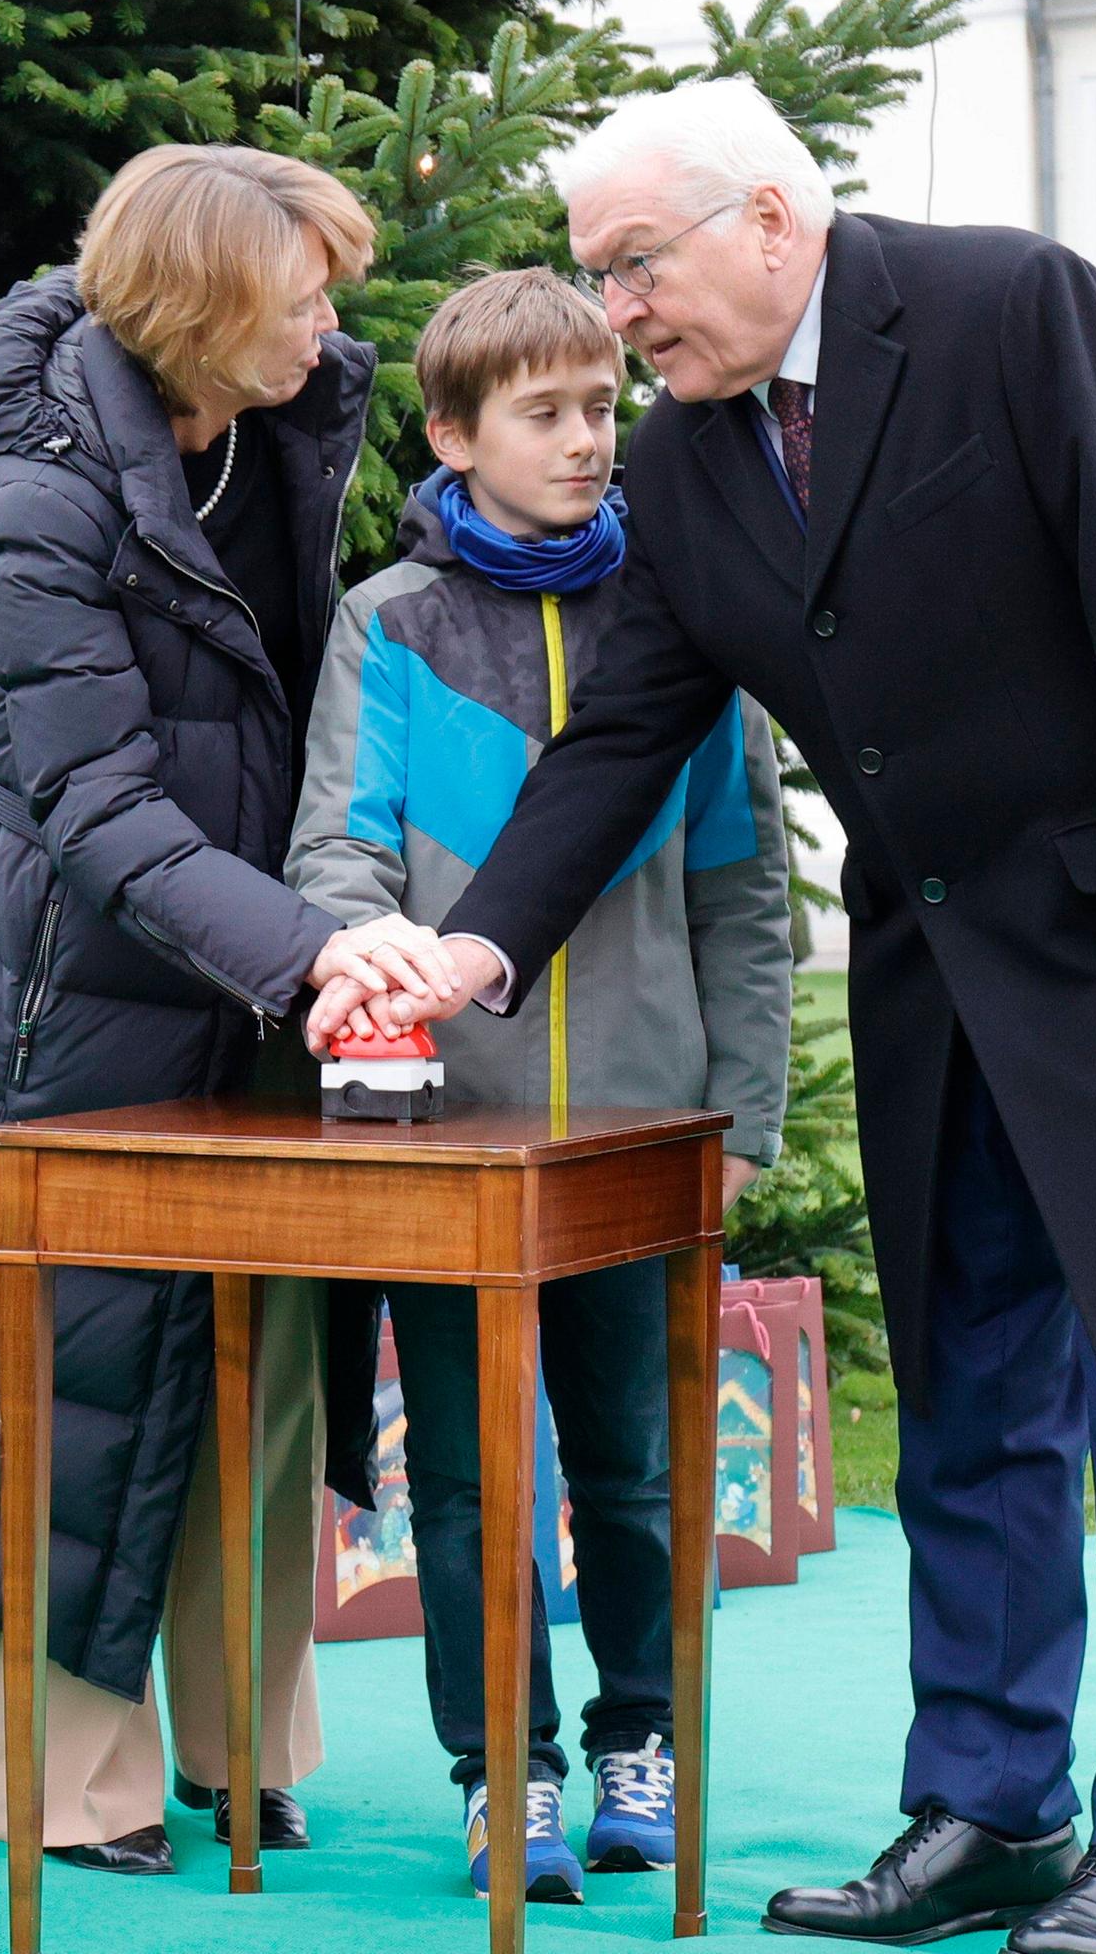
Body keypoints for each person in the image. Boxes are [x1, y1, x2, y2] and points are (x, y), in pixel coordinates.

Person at [378, 79, 1096, 1954]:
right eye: (596, 275)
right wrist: (476, 952)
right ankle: (993, 1812)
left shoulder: (1016, 308)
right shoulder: (695, 460)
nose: (617, 315)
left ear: (771, 220)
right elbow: (626, 733)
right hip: (943, 982)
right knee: (969, 1403)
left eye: (637, 265)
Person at [0, 145, 442, 1878]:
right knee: (71, 1394)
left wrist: (333, 923)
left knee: (262, 1388)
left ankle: (245, 1746)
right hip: (70, 1000)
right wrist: (318, 953)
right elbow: (97, 813)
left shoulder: (282, 421)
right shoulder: (36, 498)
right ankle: (66, 1784)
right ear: (201, 307)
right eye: (303, 288)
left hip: (253, 975)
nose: (334, 318)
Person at [280, 267, 793, 1900]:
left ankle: (642, 1736)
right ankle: (505, 1773)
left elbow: (742, 895)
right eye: (548, 413)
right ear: (452, 430)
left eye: (605, 408)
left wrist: (744, 1122)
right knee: (471, 1481)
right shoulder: (390, 626)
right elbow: (337, 856)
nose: (591, 443)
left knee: (637, 1471)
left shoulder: (688, 612)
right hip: (447, 1145)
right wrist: (381, 979)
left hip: (641, 1138)